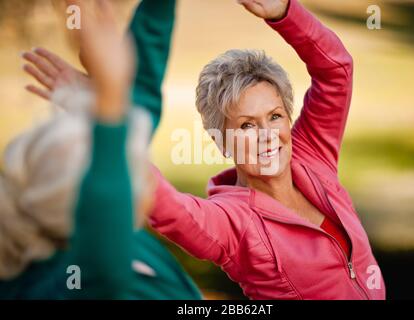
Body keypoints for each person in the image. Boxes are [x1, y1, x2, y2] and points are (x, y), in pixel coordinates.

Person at [147, 0, 386, 299]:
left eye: (274, 117)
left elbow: (336, 71)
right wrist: (109, 120)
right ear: (222, 142)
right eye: (247, 125)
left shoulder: (312, 156)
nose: (267, 136)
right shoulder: (234, 224)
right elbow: (170, 210)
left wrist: (285, 12)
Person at [0, 0, 201, 300]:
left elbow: (139, 104)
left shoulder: (69, 233)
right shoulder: (72, 286)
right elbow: (102, 258)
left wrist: (107, 96)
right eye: (125, 165)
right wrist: (107, 102)